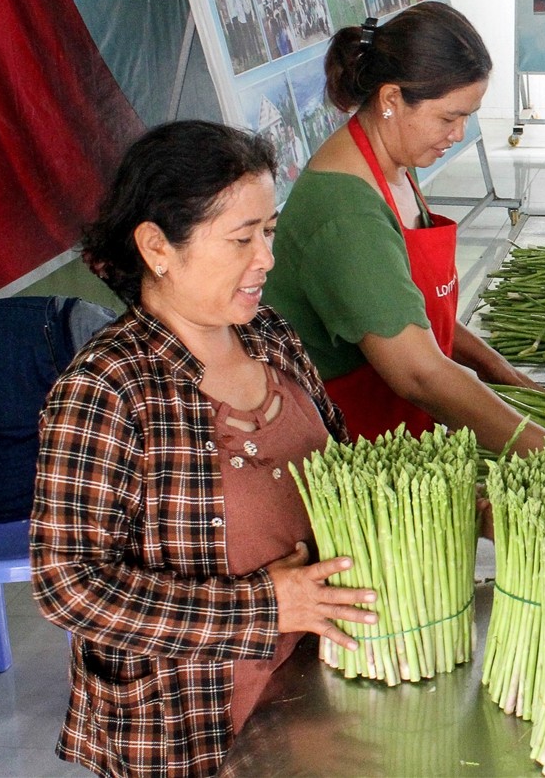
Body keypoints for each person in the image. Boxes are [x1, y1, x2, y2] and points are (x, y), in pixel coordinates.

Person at [31, 121, 379, 777]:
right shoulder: (108, 388)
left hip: (324, 687)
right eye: (242, 239)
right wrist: (265, 605)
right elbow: (69, 585)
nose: (266, 259)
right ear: (157, 246)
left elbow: (347, 463)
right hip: (196, 730)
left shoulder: (269, 334)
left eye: (269, 231)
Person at [262, 4, 545, 453]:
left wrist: (504, 374)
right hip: (353, 440)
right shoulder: (346, 211)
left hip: (407, 427)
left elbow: (411, 310)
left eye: (467, 116)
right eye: (448, 117)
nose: (459, 134)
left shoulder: (393, 162)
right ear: (391, 99)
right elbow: (418, 373)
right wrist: (543, 448)